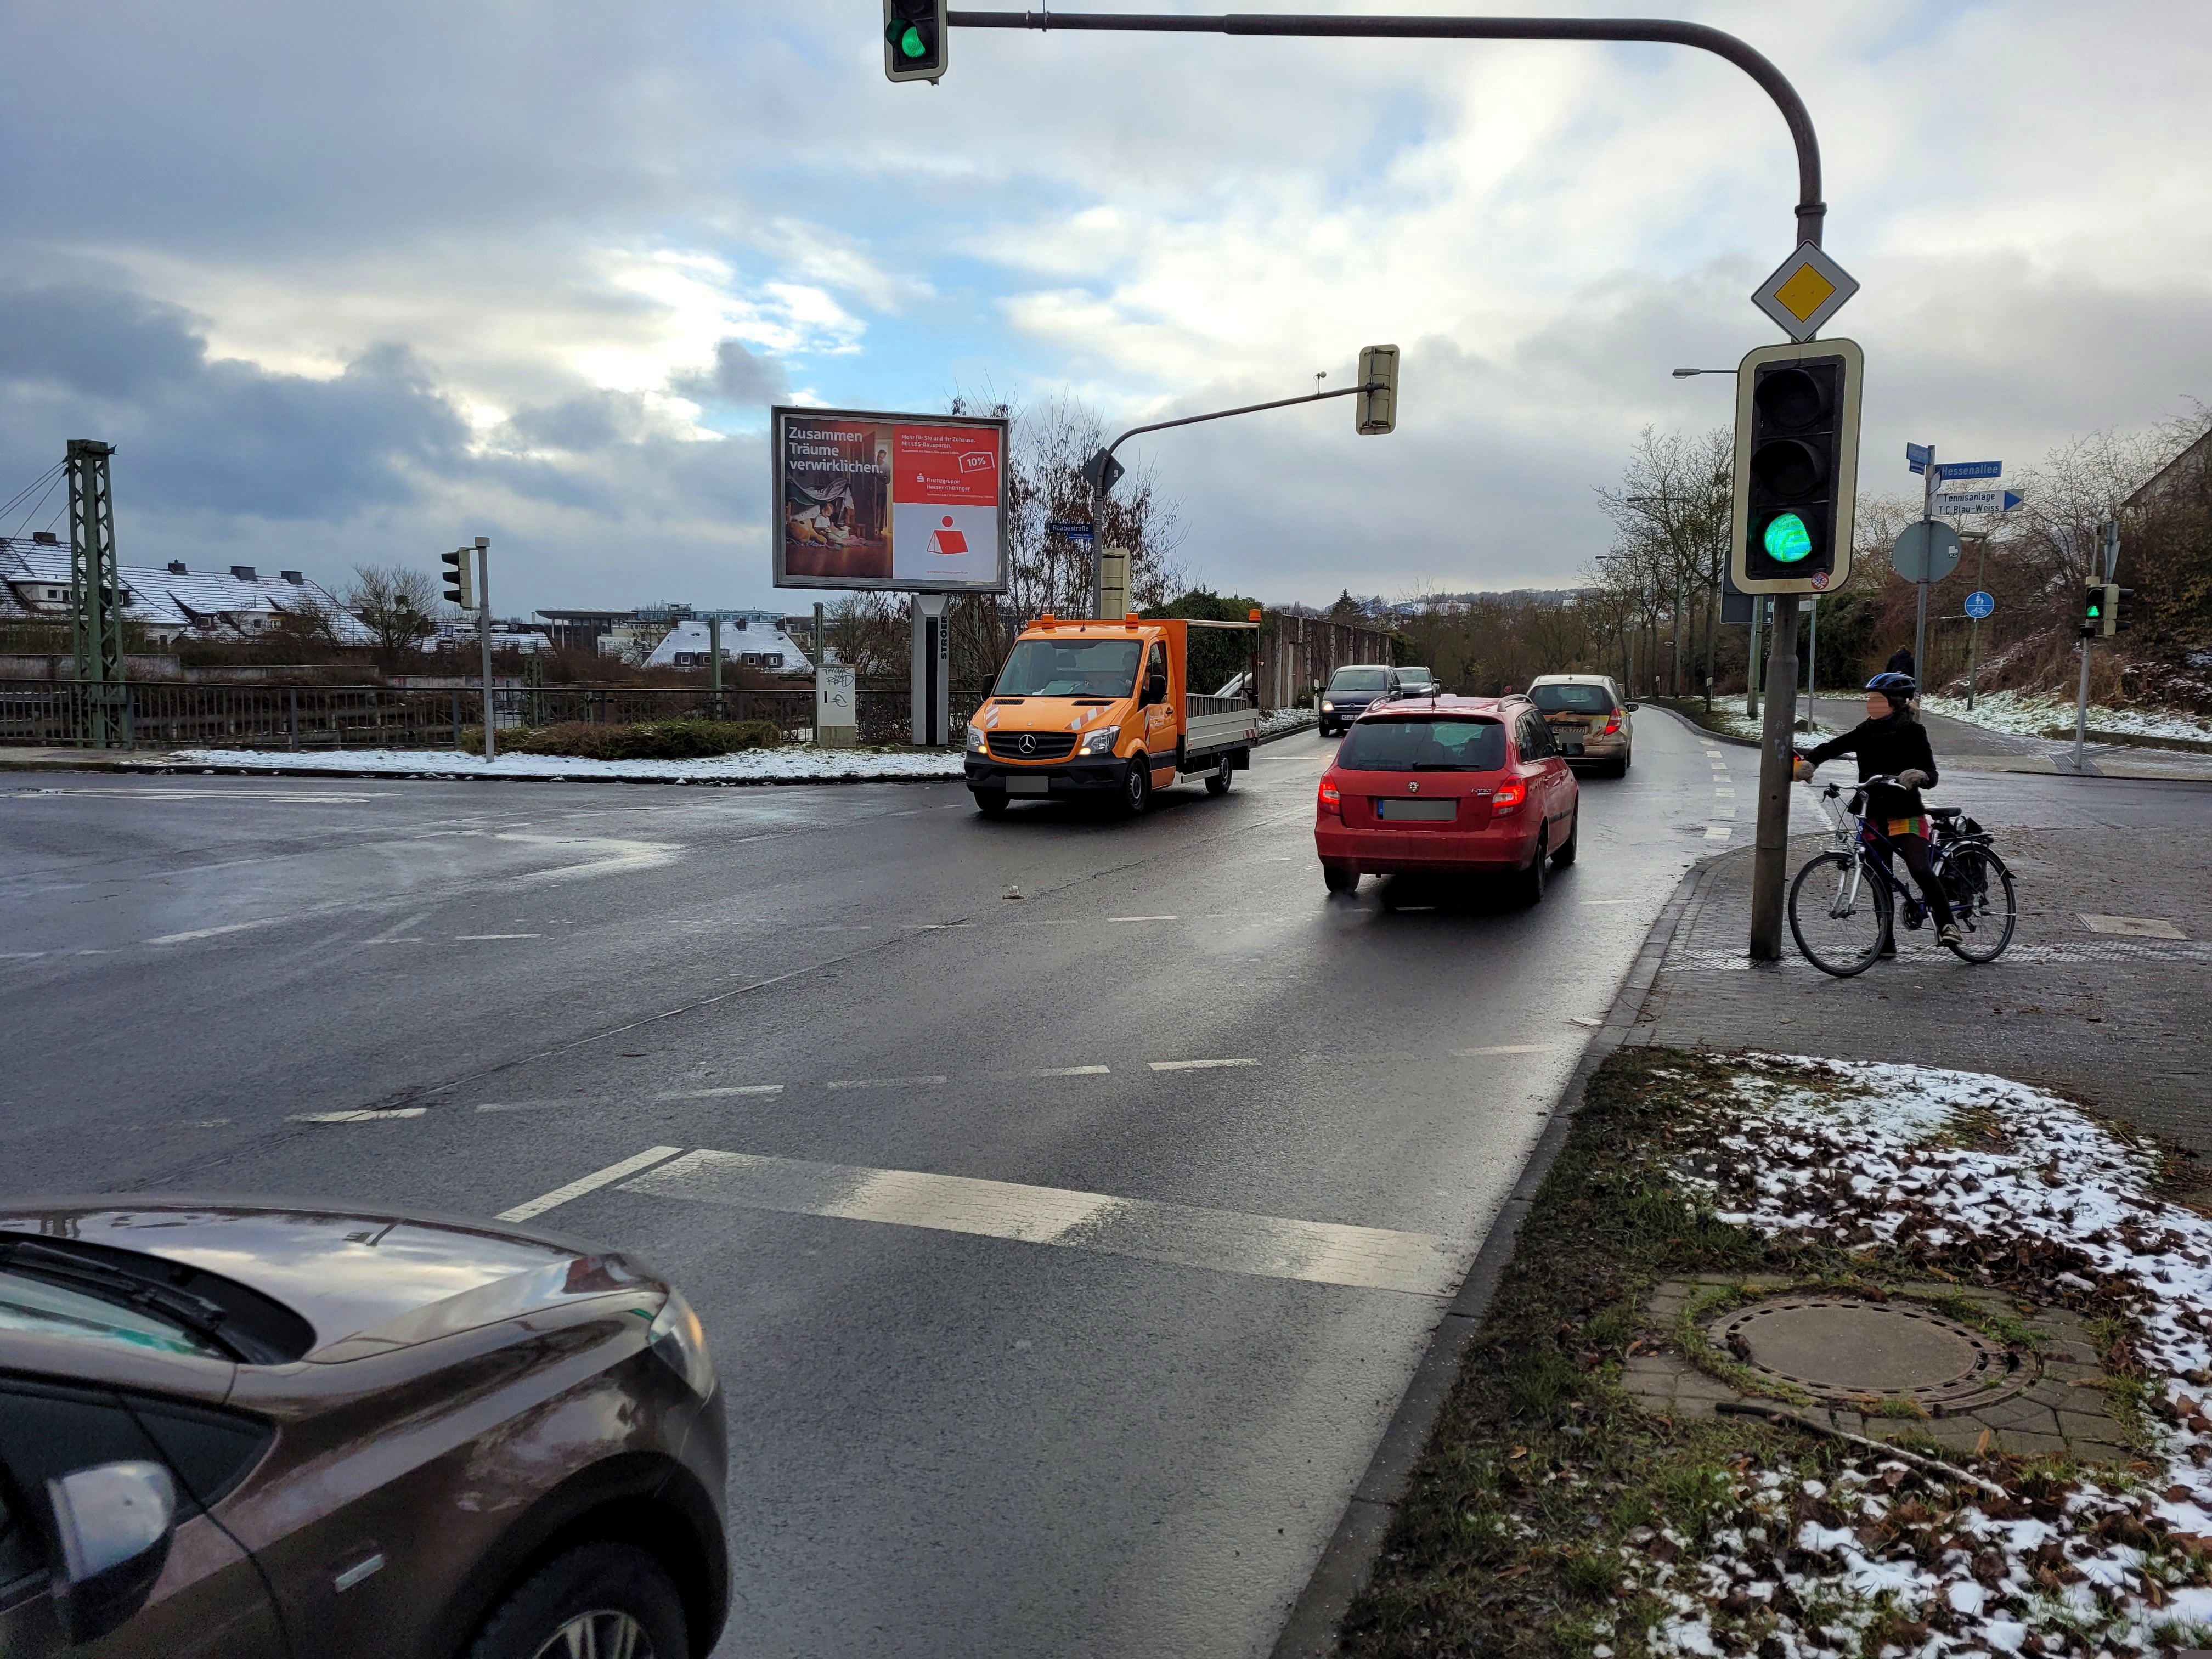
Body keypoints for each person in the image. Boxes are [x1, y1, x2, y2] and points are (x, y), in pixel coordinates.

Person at [1792, 672, 1958, 951]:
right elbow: (1832, 747)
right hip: (1873, 814)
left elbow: (1931, 774)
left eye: (1877, 700)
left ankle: (1947, 924)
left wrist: (1919, 776)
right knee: (1879, 879)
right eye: (1870, 699)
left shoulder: (1913, 732)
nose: (1871, 704)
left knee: (1919, 868)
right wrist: (1811, 763)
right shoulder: (1866, 730)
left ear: (1894, 702)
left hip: (1905, 813)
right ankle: (1886, 942)